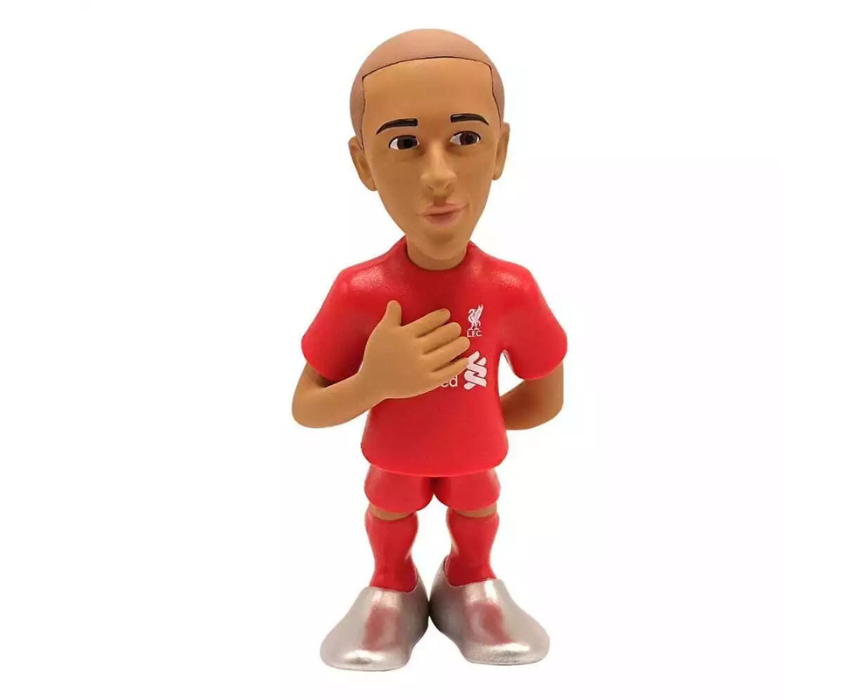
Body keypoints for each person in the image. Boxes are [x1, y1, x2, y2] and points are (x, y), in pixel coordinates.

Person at [292, 28, 567, 670]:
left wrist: (478, 419)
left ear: (500, 149)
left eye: (466, 138)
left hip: (473, 456)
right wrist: (373, 384)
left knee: (477, 505)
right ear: (364, 163)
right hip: (397, 455)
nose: (439, 176)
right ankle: (392, 586)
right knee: (390, 507)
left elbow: (546, 394)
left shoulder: (512, 291)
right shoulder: (358, 293)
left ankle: (469, 580)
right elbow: (306, 406)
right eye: (404, 144)